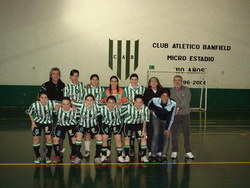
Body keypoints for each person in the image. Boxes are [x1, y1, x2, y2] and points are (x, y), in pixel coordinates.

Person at [27, 91, 60, 164]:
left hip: (48, 123)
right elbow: (29, 113)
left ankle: (48, 156)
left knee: (48, 138)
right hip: (37, 123)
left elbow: (62, 103)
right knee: (36, 139)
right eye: (42, 98)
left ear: (48, 98)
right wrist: (33, 123)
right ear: (39, 98)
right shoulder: (35, 104)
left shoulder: (52, 103)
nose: (44, 99)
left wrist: (59, 105)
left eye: (45, 98)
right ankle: (37, 156)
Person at [40, 67, 65, 157]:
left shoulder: (63, 85)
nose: (56, 75)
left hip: (60, 113)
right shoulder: (45, 85)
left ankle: (60, 150)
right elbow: (41, 99)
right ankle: (46, 150)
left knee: (60, 131)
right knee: (48, 132)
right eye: (54, 74)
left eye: (57, 73)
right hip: (48, 113)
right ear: (51, 75)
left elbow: (66, 99)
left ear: (60, 75)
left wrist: (61, 105)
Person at [101, 76, 127, 157]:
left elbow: (125, 101)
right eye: (112, 81)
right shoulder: (106, 92)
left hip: (118, 117)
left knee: (118, 136)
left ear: (118, 82)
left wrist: (120, 104)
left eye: (115, 81)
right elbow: (102, 101)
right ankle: (108, 149)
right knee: (107, 136)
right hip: (107, 118)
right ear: (110, 82)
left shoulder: (122, 91)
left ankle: (120, 150)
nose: (114, 83)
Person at [148, 89, 177, 162]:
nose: (164, 98)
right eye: (163, 96)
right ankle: (153, 154)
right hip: (156, 118)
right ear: (160, 96)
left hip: (166, 120)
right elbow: (149, 104)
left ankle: (164, 155)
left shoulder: (173, 104)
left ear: (169, 97)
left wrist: (168, 129)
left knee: (166, 135)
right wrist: (150, 109)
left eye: (167, 96)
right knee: (156, 134)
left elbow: (171, 117)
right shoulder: (154, 100)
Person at [73, 94, 103, 164]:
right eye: (87, 100)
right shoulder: (81, 105)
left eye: (91, 100)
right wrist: (72, 105)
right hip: (82, 125)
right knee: (78, 138)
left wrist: (118, 104)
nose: (89, 102)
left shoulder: (97, 106)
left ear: (94, 101)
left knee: (99, 138)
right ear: (85, 101)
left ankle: (97, 157)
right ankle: (79, 156)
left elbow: (108, 104)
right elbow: (70, 102)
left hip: (93, 125)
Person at [170, 75, 195, 159]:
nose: (177, 82)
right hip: (175, 116)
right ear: (173, 82)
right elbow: (172, 103)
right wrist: (175, 109)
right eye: (175, 80)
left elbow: (185, 102)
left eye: (179, 80)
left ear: (182, 81)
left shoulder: (187, 90)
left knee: (187, 134)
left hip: (185, 115)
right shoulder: (171, 91)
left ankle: (188, 151)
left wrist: (178, 108)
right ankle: (174, 151)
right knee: (174, 134)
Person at [83, 74, 105, 158]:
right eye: (93, 79)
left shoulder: (102, 89)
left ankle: (98, 152)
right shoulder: (87, 89)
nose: (95, 81)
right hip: (88, 114)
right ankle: (87, 151)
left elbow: (104, 101)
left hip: (98, 115)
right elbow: (83, 101)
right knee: (87, 133)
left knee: (98, 133)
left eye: (96, 80)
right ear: (90, 81)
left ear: (98, 81)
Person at [122, 95, 149, 163]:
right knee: (127, 138)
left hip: (139, 124)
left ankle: (143, 156)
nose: (138, 104)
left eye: (140, 102)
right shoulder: (128, 107)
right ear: (134, 102)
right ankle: (127, 155)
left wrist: (143, 131)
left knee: (143, 137)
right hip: (128, 124)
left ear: (143, 102)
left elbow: (145, 120)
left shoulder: (145, 108)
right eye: (137, 102)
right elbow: (120, 113)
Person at [124, 73, 146, 157]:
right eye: (132, 79)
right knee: (131, 133)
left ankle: (140, 149)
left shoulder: (142, 89)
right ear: (130, 80)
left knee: (140, 134)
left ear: (137, 80)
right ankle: (132, 148)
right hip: (130, 114)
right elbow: (124, 101)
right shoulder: (126, 90)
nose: (134, 81)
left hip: (139, 114)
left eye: (135, 79)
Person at [99, 96, 125, 163]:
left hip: (116, 124)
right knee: (104, 139)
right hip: (106, 124)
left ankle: (119, 156)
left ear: (115, 103)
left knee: (118, 139)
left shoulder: (119, 108)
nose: (111, 104)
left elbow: (129, 104)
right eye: (109, 102)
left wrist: (120, 104)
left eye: (113, 102)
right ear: (106, 102)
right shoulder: (102, 108)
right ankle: (104, 155)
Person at [52, 97, 77, 163]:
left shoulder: (73, 110)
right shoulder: (58, 109)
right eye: (64, 104)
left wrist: (74, 106)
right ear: (61, 104)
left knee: (74, 139)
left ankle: (73, 155)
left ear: (70, 104)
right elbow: (51, 105)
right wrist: (58, 106)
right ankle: (57, 156)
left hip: (70, 126)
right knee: (55, 139)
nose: (65, 106)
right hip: (60, 125)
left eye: (67, 104)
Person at [143, 77, 163, 158]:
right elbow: (145, 103)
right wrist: (149, 110)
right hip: (150, 116)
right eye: (152, 81)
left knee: (160, 133)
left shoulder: (161, 91)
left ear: (157, 83)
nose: (154, 82)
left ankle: (159, 150)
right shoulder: (147, 92)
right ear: (149, 83)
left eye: (155, 81)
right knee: (150, 132)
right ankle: (150, 150)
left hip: (160, 116)